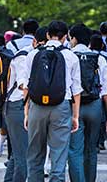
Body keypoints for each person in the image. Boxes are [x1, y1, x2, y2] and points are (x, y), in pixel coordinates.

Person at [24, 21, 82, 182]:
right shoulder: (71, 56)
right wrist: (75, 116)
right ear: (65, 37)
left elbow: (26, 86)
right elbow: (76, 89)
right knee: (59, 154)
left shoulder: (33, 54)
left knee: (35, 152)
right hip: (61, 106)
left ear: (48, 35)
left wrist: (26, 112)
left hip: (36, 106)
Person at [67, 24, 107, 182]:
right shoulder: (99, 59)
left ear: (73, 38)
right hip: (95, 106)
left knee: (74, 150)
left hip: (74, 106)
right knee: (91, 149)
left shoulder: (67, 56)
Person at [3, 27, 48, 182]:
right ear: (35, 41)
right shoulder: (24, 56)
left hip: (25, 106)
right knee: (24, 154)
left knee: (17, 153)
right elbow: (23, 84)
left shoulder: (38, 54)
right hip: (18, 105)